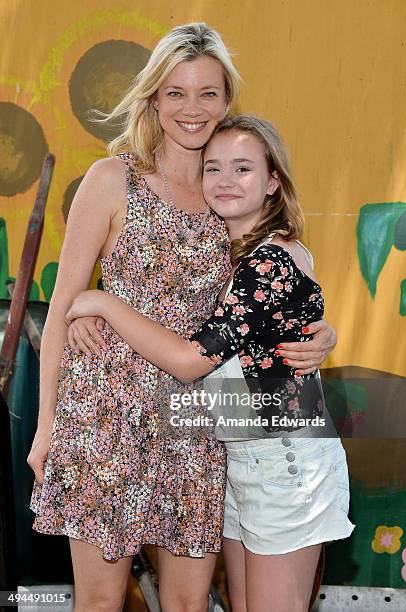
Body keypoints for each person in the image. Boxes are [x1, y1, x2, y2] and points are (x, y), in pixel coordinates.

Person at [27, 21, 335, 612]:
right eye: (175, 92)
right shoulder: (112, 179)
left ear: (227, 100)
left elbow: (281, 287)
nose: (192, 109)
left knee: (191, 604)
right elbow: (64, 307)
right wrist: (45, 429)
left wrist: (323, 333)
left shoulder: (231, 192)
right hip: (103, 418)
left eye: (208, 94)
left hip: (200, 419)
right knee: (99, 601)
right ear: (152, 98)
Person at [67, 115, 353, 612]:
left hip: (285, 462)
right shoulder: (238, 254)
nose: (224, 180)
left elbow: (188, 361)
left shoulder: (269, 263)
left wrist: (103, 303)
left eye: (242, 169)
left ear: (272, 183)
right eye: (213, 168)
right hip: (242, 459)